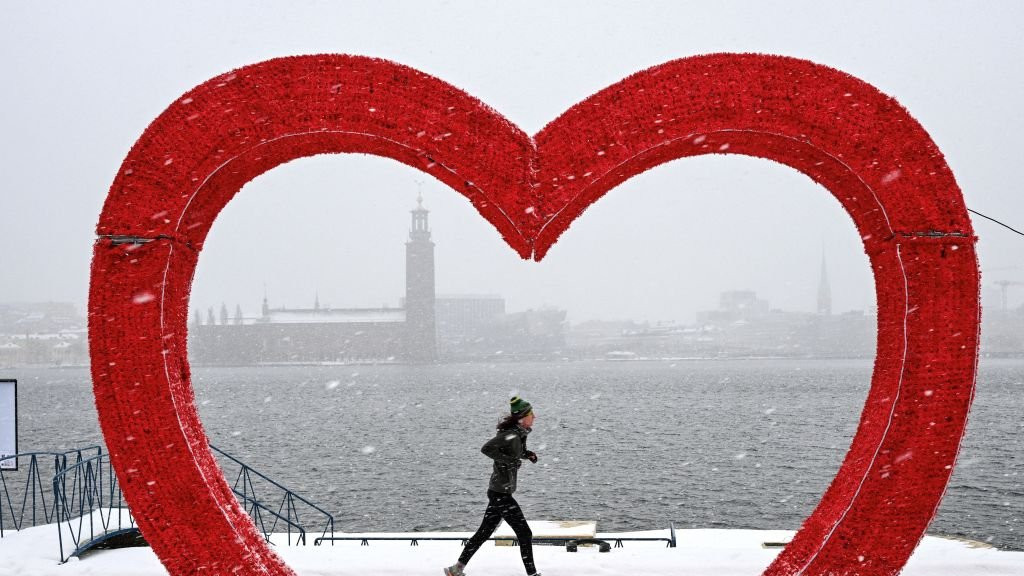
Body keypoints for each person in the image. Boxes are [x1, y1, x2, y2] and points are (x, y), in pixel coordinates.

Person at [444, 396, 541, 576]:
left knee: (483, 533)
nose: (534, 417)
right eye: (531, 414)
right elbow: (487, 449)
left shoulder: (519, 434)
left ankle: (456, 569)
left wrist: (527, 454)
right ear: (522, 417)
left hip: (498, 492)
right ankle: (532, 574)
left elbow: (514, 452)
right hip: (501, 495)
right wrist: (510, 461)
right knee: (525, 533)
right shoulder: (510, 435)